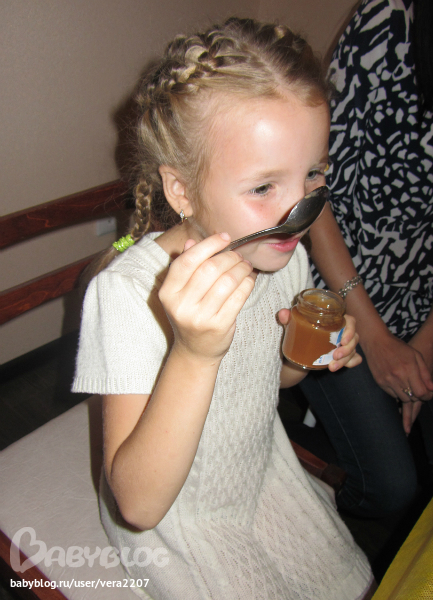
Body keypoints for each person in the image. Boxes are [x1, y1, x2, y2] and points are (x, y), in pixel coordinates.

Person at [72, 18, 375, 599]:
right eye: (264, 187)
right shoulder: (125, 296)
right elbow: (137, 504)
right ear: (181, 191)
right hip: (179, 514)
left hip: (259, 468)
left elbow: (270, 377)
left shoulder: (283, 257)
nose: (301, 209)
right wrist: (194, 352)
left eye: (313, 174)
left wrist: (308, 353)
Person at [300, 0, 433, 519]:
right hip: (335, 287)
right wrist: (375, 340)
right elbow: (313, 191)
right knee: (393, 488)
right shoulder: (388, 25)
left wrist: (423, 348)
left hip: (421, 298)